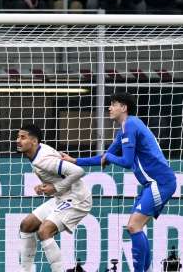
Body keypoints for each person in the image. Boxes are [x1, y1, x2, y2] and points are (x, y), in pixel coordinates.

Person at [61, 93, 177, 272]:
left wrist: (110, 156)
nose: (109, 107)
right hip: (152, 184)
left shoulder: (130, 124)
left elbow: (127, 161)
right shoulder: (123, 129)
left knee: (133, 225)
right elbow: (104, 158)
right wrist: (75, 160)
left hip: (160, 182)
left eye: (113, 104)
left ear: (124, 108)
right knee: (136, 227)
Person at [17, 124, 92, 272]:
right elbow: (58, 177)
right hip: (62, 197)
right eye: (18, 137)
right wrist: (46, 186)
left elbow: (78, 171)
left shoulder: (43, 159)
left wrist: (56, 188)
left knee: (44, 231)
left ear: (34, 141)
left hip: (77, 199)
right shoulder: (36, 154)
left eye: (22, 137)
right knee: (27, 225)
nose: (18, 140)